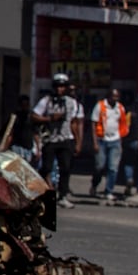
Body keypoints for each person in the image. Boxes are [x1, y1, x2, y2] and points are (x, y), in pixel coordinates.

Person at [32, 72, 84, 208]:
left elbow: (74, 123)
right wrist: (49, 119)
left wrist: (78, 142)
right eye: (58, 86)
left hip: (65, 139)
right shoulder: (46, 101)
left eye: (62, 86)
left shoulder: (72, 103)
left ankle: (63, 195)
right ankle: (44, 192)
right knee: (47, 167)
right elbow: (34, 116)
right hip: (50, 139)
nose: (60, 89)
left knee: (65, 168)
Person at [88, 88, 128, 201]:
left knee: (113, 168)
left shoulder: (120, 108)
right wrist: (94, 142)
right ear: (108, 97)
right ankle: (94, 185)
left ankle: (109, 191)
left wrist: (121, 141)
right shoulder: (100, 106)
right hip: (101, 140)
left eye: (117, 97)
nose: (115, 99)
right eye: (113, 96)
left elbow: (123, 124)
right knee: (99, 166)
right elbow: (93, 124)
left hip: (115, 140)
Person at [0, 95, 38, 165]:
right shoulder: (15, 118)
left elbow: (36, 134)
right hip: (16, 147)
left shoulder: (31, 118)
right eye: (22, 105)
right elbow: (9, 134)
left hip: (28, 148)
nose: (24, 107)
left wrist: (38, 150)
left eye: (26, 105)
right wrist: (4, 148)